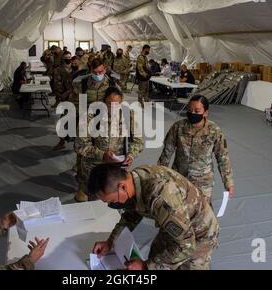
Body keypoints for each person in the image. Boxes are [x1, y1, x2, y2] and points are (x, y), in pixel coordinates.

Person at [89, 164, 219, 270]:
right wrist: (110, 241)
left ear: (122, 187)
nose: (113, 205)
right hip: (174, 225)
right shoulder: (133, 180)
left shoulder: (161, 197)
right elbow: (131, 214)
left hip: (199, 234)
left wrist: (146, 266)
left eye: (111, 201)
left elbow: (187, 245)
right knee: (157, 256)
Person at [158, 95, 235, 203]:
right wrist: (159, 177)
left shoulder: (214, 131)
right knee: (177, 212)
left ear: (205, 113)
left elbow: (222, 158)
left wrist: (228, 182)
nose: (192, 113)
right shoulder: (178, 127)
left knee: (202, 214)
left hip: (203, 183)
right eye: (190, 110)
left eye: (197, 110)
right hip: (179, 178)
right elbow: (166, 155)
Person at [74, 87, 144, 203]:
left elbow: (139, 141)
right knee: (96, 200)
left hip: (116, 168)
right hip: (94, 168)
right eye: (109, 104)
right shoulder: (90, 117)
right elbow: (80, 145)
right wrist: (102, 155)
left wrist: (131, 155)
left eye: (117, 105)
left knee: (117, 199)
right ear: (103, 101)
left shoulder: (128, 115)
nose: (113, 108)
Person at [68, 58, 120, 202]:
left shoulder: (112, 83)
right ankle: (82, 185)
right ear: (90, 70)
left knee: (101, 154)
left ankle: (99, 184)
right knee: (82, 154)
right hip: (86, 123)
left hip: (105, 124)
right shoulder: (83, 84)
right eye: (95, 72)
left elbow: (118, 102)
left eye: (101, 71)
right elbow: (76, 103)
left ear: (106, 69)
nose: (99, 74)